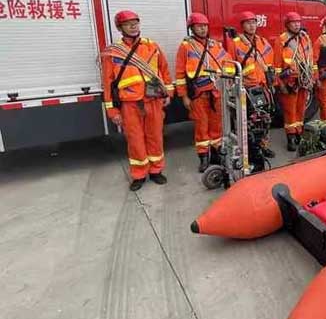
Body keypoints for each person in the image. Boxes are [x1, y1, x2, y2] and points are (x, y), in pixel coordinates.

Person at [102, 10, 174, 191]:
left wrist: (168, 93)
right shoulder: (113, 53)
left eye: (136, 23)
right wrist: (112, 110)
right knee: (135, 140)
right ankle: (139, 174)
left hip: (154, 101)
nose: (133, 26)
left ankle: (156, 171)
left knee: (155, 137)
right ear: (120, 28)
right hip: (129, 104)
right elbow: (108, 83)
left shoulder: (152, 46)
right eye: (128, 24)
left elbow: (164, 71)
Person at [176, 13, 235, 172]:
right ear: (192, 28)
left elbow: (227, 63)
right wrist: (184, 96)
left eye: (204, 26)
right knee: (201, 127)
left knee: (217, 127)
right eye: (199, 26)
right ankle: (203, 159)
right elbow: (180, 74)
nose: (202, 29)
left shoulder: (215, 45)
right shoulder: (186, 47)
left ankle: (216, 156)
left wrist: (228, 80)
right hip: (198, 94)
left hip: (216, 93)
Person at [226, 11, 276, 167]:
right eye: (248, 23)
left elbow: (270, 64)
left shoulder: (263, 42)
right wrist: (232, 87)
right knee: (248, 122)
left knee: (264, 120)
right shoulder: (235, 43)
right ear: (242, 26)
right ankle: (250, 150)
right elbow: (229, 65)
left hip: (263, 87)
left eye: (254, 22)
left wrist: (271, 83)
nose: (252, 26)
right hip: (246, 89)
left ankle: (263, 147)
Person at [274, 11, 314, 151]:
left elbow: (310, 59)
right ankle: (291, 137)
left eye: (298, 22)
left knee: (301, 109)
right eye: (293, 23)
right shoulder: (282, 40)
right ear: (287, 24)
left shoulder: (305, 38)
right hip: (290, 81)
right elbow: (277, 65)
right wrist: (280, 84)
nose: (297, 25)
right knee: (290, 111)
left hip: (303, 80)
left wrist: (311, 79)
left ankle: (298, 133)